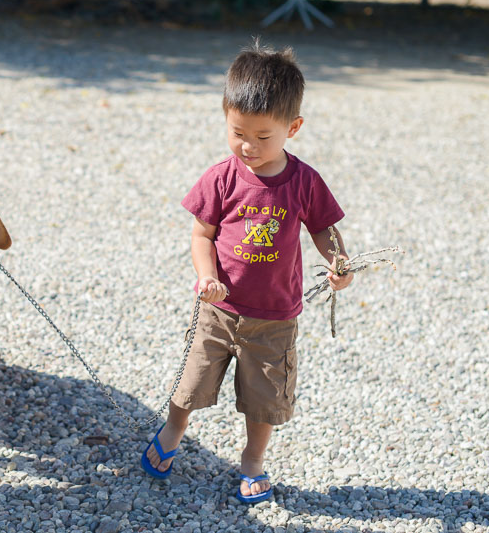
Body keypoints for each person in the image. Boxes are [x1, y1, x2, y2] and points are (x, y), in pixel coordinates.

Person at [141, 43, 354, 503]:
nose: (247, 146)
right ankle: (173, 432)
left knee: (264, 400)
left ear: (292, 128)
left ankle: (253, 460)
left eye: (263, 136)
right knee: (191, 381)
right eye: (237, 132)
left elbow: (324, 229)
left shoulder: (304, 182)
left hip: (275, 316)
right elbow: (202, 235)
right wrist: (206, 276)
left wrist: (338, 263)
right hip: (217, 309)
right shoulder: (221, 177)